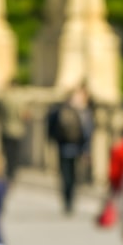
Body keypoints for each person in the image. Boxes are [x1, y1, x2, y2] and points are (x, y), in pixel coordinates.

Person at [47, 86, 93, 215]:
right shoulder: (84, 112)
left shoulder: (60, 109)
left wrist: (52, 141)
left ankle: (67, 200)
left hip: (62, 146)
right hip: (77, 148)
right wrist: (86, 150)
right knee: (73, 175)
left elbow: (51, 127)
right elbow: (87, 133)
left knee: (65, 174)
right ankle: (71, 199)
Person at [0, 85, 27, 182]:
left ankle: (9, 170)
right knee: (15, 153)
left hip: (6, 129)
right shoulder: (21, 99)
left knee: (7, 152)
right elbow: (24, 115)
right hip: (18, 131)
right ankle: (13, 171)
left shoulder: (4, 99)